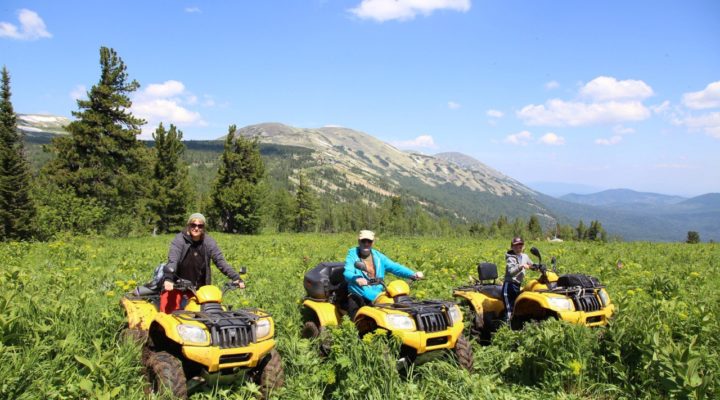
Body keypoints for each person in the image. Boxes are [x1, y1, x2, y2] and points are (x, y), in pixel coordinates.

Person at [160, 213, 244, 313]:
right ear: (188, 225)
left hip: (198, 289)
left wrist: (236, 277)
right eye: (193, 225)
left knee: (209, 316)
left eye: (200, 226)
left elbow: (220, 261)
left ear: (203, 227)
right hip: (176, 286)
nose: (196, 228)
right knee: (168, 315)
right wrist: (169, 278)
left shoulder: (208, 242)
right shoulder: (179, 240)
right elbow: (173, 259)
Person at [343, 230, 423, 318]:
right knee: (357, 323)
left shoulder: (378, 256)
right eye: (363, 241)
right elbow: (347, 272)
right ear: (359, 241)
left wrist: (412, 274)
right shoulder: (353, 255)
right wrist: (357, 279)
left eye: (369, 241)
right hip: (359, 295)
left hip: (378, 294)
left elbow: (394, 267)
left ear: (373, 242)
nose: (366, 244)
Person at [502, 236, 533, 321]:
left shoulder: (525, 256)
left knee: (517, 308)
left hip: (517, 286)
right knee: (509, 310)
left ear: (523, 246)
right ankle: (505, 329)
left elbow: (531, 265)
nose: (518, 247)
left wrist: (539, 267)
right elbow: (511, 272)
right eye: (515, 245)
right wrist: (521, 266)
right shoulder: (510, 258)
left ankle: (516, 327)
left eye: (520, 245)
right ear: (512, 247)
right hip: (509, 287)